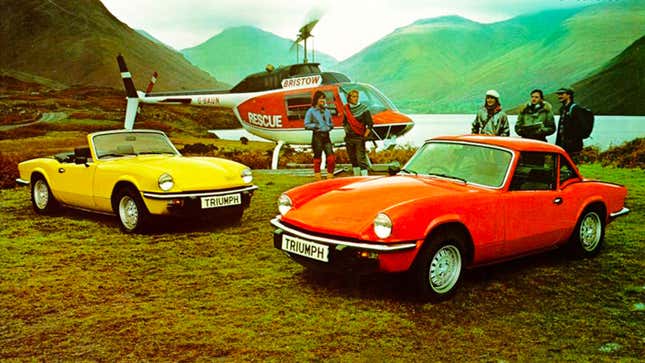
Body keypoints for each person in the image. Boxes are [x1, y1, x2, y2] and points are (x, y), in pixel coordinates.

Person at [304, 90, 336, 180]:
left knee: (331, 158)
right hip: (317, 136)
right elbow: (306, 125)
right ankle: (318, 179)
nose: (323, 101)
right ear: (316, 100)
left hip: (327, 136)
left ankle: (330, 177)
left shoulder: (327, 111)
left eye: (324, 99)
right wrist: (316, 126)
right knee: (317, 158)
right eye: (321, 99)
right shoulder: (311, 111)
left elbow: (331, 123)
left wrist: (330, 126)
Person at [343, 89, 373, 176]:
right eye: (353, 97)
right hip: (349, 137)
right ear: (349, 98)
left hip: (359, 137)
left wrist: (364, 136)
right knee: (353, 158)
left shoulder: (364, 109)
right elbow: (344, 123)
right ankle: (356, 177)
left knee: (361, 158)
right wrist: (347, 131)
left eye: (357, 97)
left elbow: (370, 124)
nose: (356, 99)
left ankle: (365, 178)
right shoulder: (346, 109)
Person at [555, 87, 583, 163]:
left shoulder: (575, 109)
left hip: (573, 147)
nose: (559, 96)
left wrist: (572, 142)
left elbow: (579, 128)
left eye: (561, 94)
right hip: (562, 145)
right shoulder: (563, 109)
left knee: (571, 167)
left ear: (569, 95)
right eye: (558, 94)